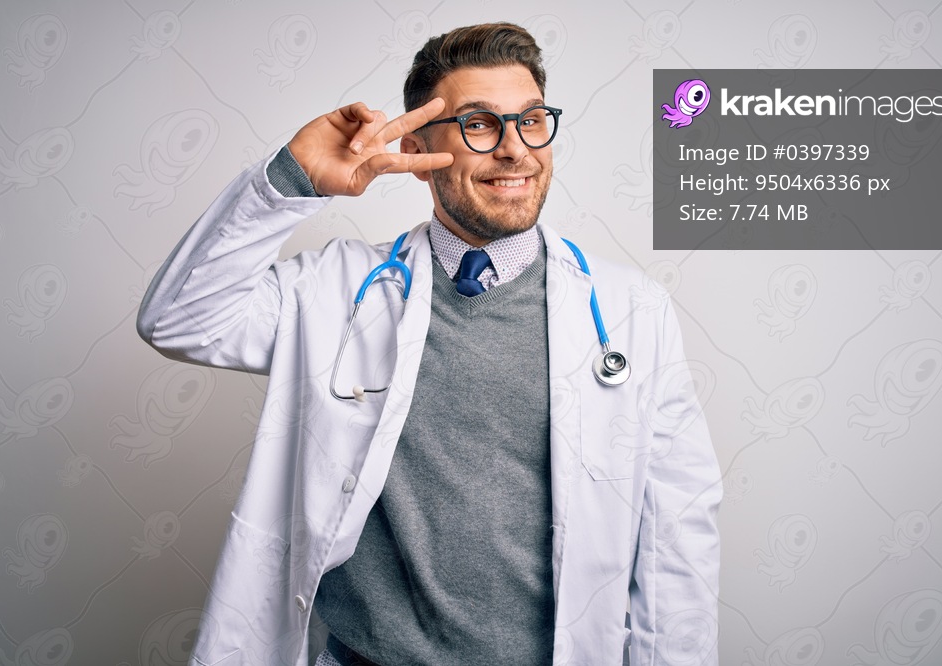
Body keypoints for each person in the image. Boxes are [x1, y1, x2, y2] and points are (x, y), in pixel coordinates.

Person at [138, 22, 721, 666]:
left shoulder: (631, 310)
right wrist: (292, 182)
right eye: (479, 125)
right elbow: (180, 318)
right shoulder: (337, 292)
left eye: (531, 120)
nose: (514, 151)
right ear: (417, 149)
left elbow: (678, 530)